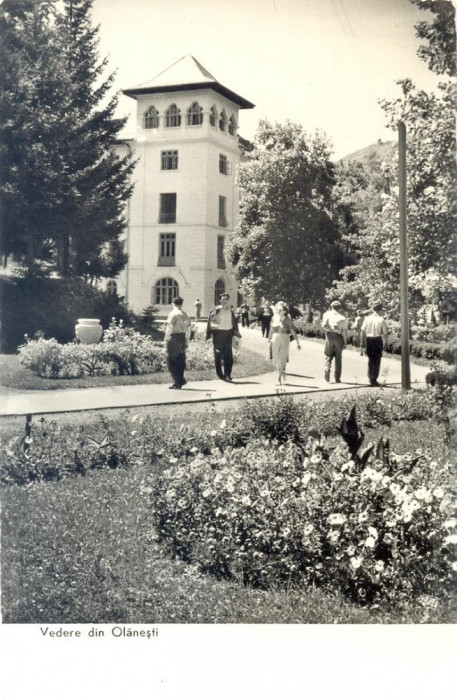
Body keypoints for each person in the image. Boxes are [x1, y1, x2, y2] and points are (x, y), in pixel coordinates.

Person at [206, 293, 241, 381]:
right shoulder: (216, 310)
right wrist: (209, 335)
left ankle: (227, 374)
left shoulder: (230, 310)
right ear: (220, 300)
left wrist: (236, 332)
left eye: (226, 299)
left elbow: (234, 322)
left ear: (228, 300)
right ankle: (220, 375)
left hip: (228, 334)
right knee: (218, 356)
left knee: (228, 356)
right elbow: (210, 322)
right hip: (218, 334)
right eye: (223, 299)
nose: (225, 301)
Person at [268, 302, 300, 385]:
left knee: (282, 357)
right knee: (275, 357)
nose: (278, 311)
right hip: (275, 337)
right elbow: (271, 329)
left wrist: (297, 342)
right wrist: (269, 339)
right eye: (277, 309)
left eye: (280, 310)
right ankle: (281, 372)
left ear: (285, 311)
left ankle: (279, 378)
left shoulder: (287, 319)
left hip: (284, 337)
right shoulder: (274, 317)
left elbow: (292, 330)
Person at [361, 300, 389, 387]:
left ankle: (370, 377)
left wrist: (362, 341)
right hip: (377, 340)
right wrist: (386, 342)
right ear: (380, 310)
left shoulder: (367, 319)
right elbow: (385, 333)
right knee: (377, 360)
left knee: (370, 359)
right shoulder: (381, 320)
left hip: (369, 340)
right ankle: (374, 378)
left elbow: (362, 331)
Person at [165, 296, 191, 389]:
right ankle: (179, 382)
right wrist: (187, 340)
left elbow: (169, 328)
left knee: (171, 361)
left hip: (174, 338)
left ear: (173, 304)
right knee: (180, 361)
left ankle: (178, 381)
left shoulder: (172, 314)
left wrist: (166, 338)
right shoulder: (185, 314)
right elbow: (189, 329)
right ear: (181, 304)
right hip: (182, 338)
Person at [321, 300, 348, 383]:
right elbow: (344, 332)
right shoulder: (343, 318)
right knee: (338, 357)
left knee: (328, 354)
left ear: (331, 307)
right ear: (340, 308)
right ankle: (337, 377)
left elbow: (323, 325)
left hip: (329, 335)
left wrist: (328, 330)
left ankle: (327, 368)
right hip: (338, 336)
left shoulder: (326, 314)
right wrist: (345, 342)